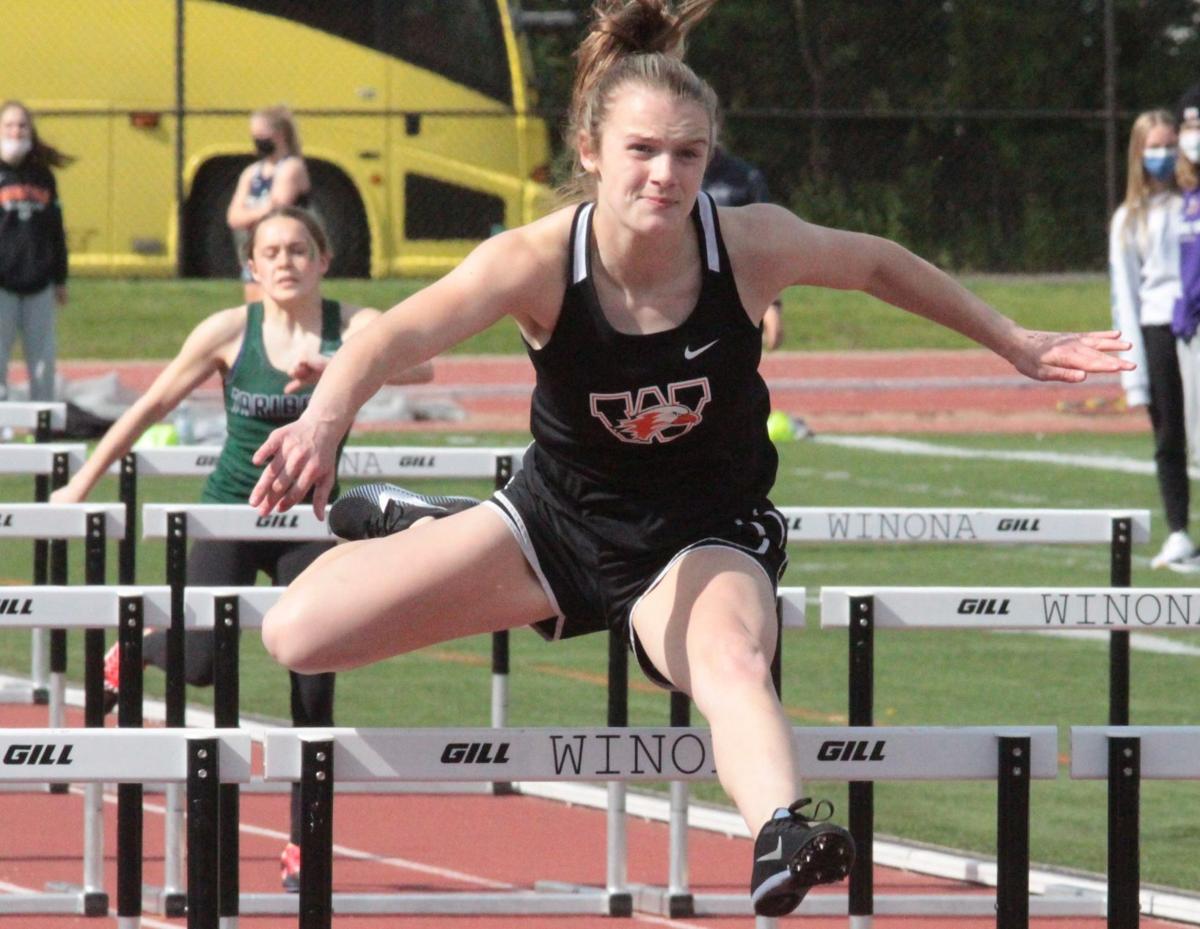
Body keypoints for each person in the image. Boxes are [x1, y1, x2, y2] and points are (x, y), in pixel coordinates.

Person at [247, 0, 1132, 916]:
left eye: (689, 154)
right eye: (642, 151)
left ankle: (782, 828)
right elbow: (392, 332)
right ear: (590, 151)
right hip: (556, 527)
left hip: (701, 539)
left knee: (730, 657)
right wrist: (325, 419)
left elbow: (875, 263)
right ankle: (449, 527)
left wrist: (1014, 341)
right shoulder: (538, 261)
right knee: (298, 632)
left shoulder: (745, 247)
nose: (666, 176)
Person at [50, 206, 433, 891]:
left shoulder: (357, 326)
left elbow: (422, 368)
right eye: (271, 252)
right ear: (252, 269)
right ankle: (139, 647)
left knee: (315, 680)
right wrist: (81, 481)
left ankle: (302, 842)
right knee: (198, 664)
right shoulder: (230, 331)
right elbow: (149, 407)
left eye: (298, 250)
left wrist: (341, 364)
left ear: (322, 260)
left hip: (310, 519)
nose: (285, 261)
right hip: (231, 512)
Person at [1109, 109, 1194, 570]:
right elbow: (1126, 298)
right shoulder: (1128, 219)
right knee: (1169, 437)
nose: (1163, 155)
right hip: (1159, 330)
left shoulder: (1192, 202)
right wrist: (1133, 378)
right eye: (1153, 147)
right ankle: (1179, 530)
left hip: (1195, 327)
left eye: (1169, 145)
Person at [0, 100, 70, 403]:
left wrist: (60, 278)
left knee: (42, 364)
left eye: (22, 125)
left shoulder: (43, 177)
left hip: (38, 284)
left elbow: (56, 230)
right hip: (2, 285)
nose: (16, 131)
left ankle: (43, 433)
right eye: (9, 125)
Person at [702, 145, 784, 349]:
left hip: (732, 297)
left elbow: (765, 244)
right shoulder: (666, 178)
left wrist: (771, 303)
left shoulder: (746, 178)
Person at [227, 106, 311, 303]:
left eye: (260, 134)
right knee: (255, 313)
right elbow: (233, 217)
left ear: (279, 134)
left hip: (285, 250)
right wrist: (262, 210)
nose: (257, 140)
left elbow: (278, 208)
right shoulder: (252, 173)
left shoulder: (291, 167)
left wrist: (251, 213)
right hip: (257, 249)